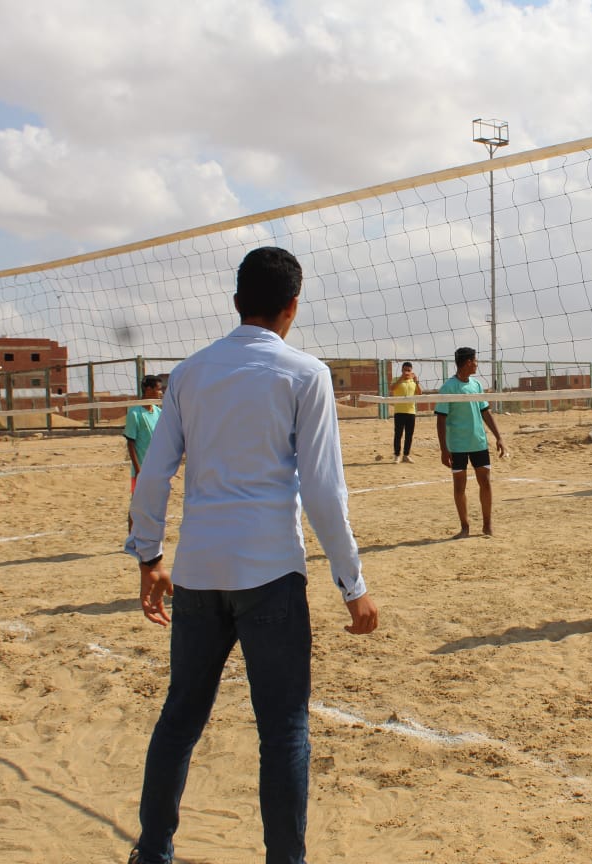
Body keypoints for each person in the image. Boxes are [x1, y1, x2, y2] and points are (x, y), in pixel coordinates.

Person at [124, 247, 379, 864]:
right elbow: (323, 491)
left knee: (180, 719)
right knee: (283, 731)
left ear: (237, 302)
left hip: (199, 572)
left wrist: (149, 557)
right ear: (293, 306)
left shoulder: (188, 373)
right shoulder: (305, 374)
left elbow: (154, 474)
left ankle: (152, 852)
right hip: (269, 574)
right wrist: (352, 584)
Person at [436, 347, 507, 538]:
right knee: (460, 487)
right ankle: (465, 527)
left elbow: (485, 412)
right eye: (475, 361)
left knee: (485, 482)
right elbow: (440, 420)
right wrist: (444, 449)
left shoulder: (476, 385)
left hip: (478, 443)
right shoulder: (448, 388)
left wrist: (499, 437)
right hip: (457, 445)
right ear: (468, 362)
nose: (476, 364)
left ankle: (487, 525)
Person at [125, 375, 164, 530]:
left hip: (156, 469)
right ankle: (131, 537)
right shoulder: (134, 413)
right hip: (141, 469)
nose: (161, 393)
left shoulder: (158, 412)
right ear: (148, 389)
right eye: (159, 389)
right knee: (137, 504)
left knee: (154, 505)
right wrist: (138, 469)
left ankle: (150, 535)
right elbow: (130, 443)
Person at [390, 361, 421, 462]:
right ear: (401, 370)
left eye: (409, 370)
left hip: (411, 412)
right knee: (398, 434)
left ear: (411, 371)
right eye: (405, 370)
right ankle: (397, 455)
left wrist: (416, 381)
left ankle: (406, 455)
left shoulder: (413, 381)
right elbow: (392, 388)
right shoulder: (396, 379)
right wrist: (401, 378)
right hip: (399, 411)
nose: (407, 372)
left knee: (409, 435)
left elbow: (420, 393)